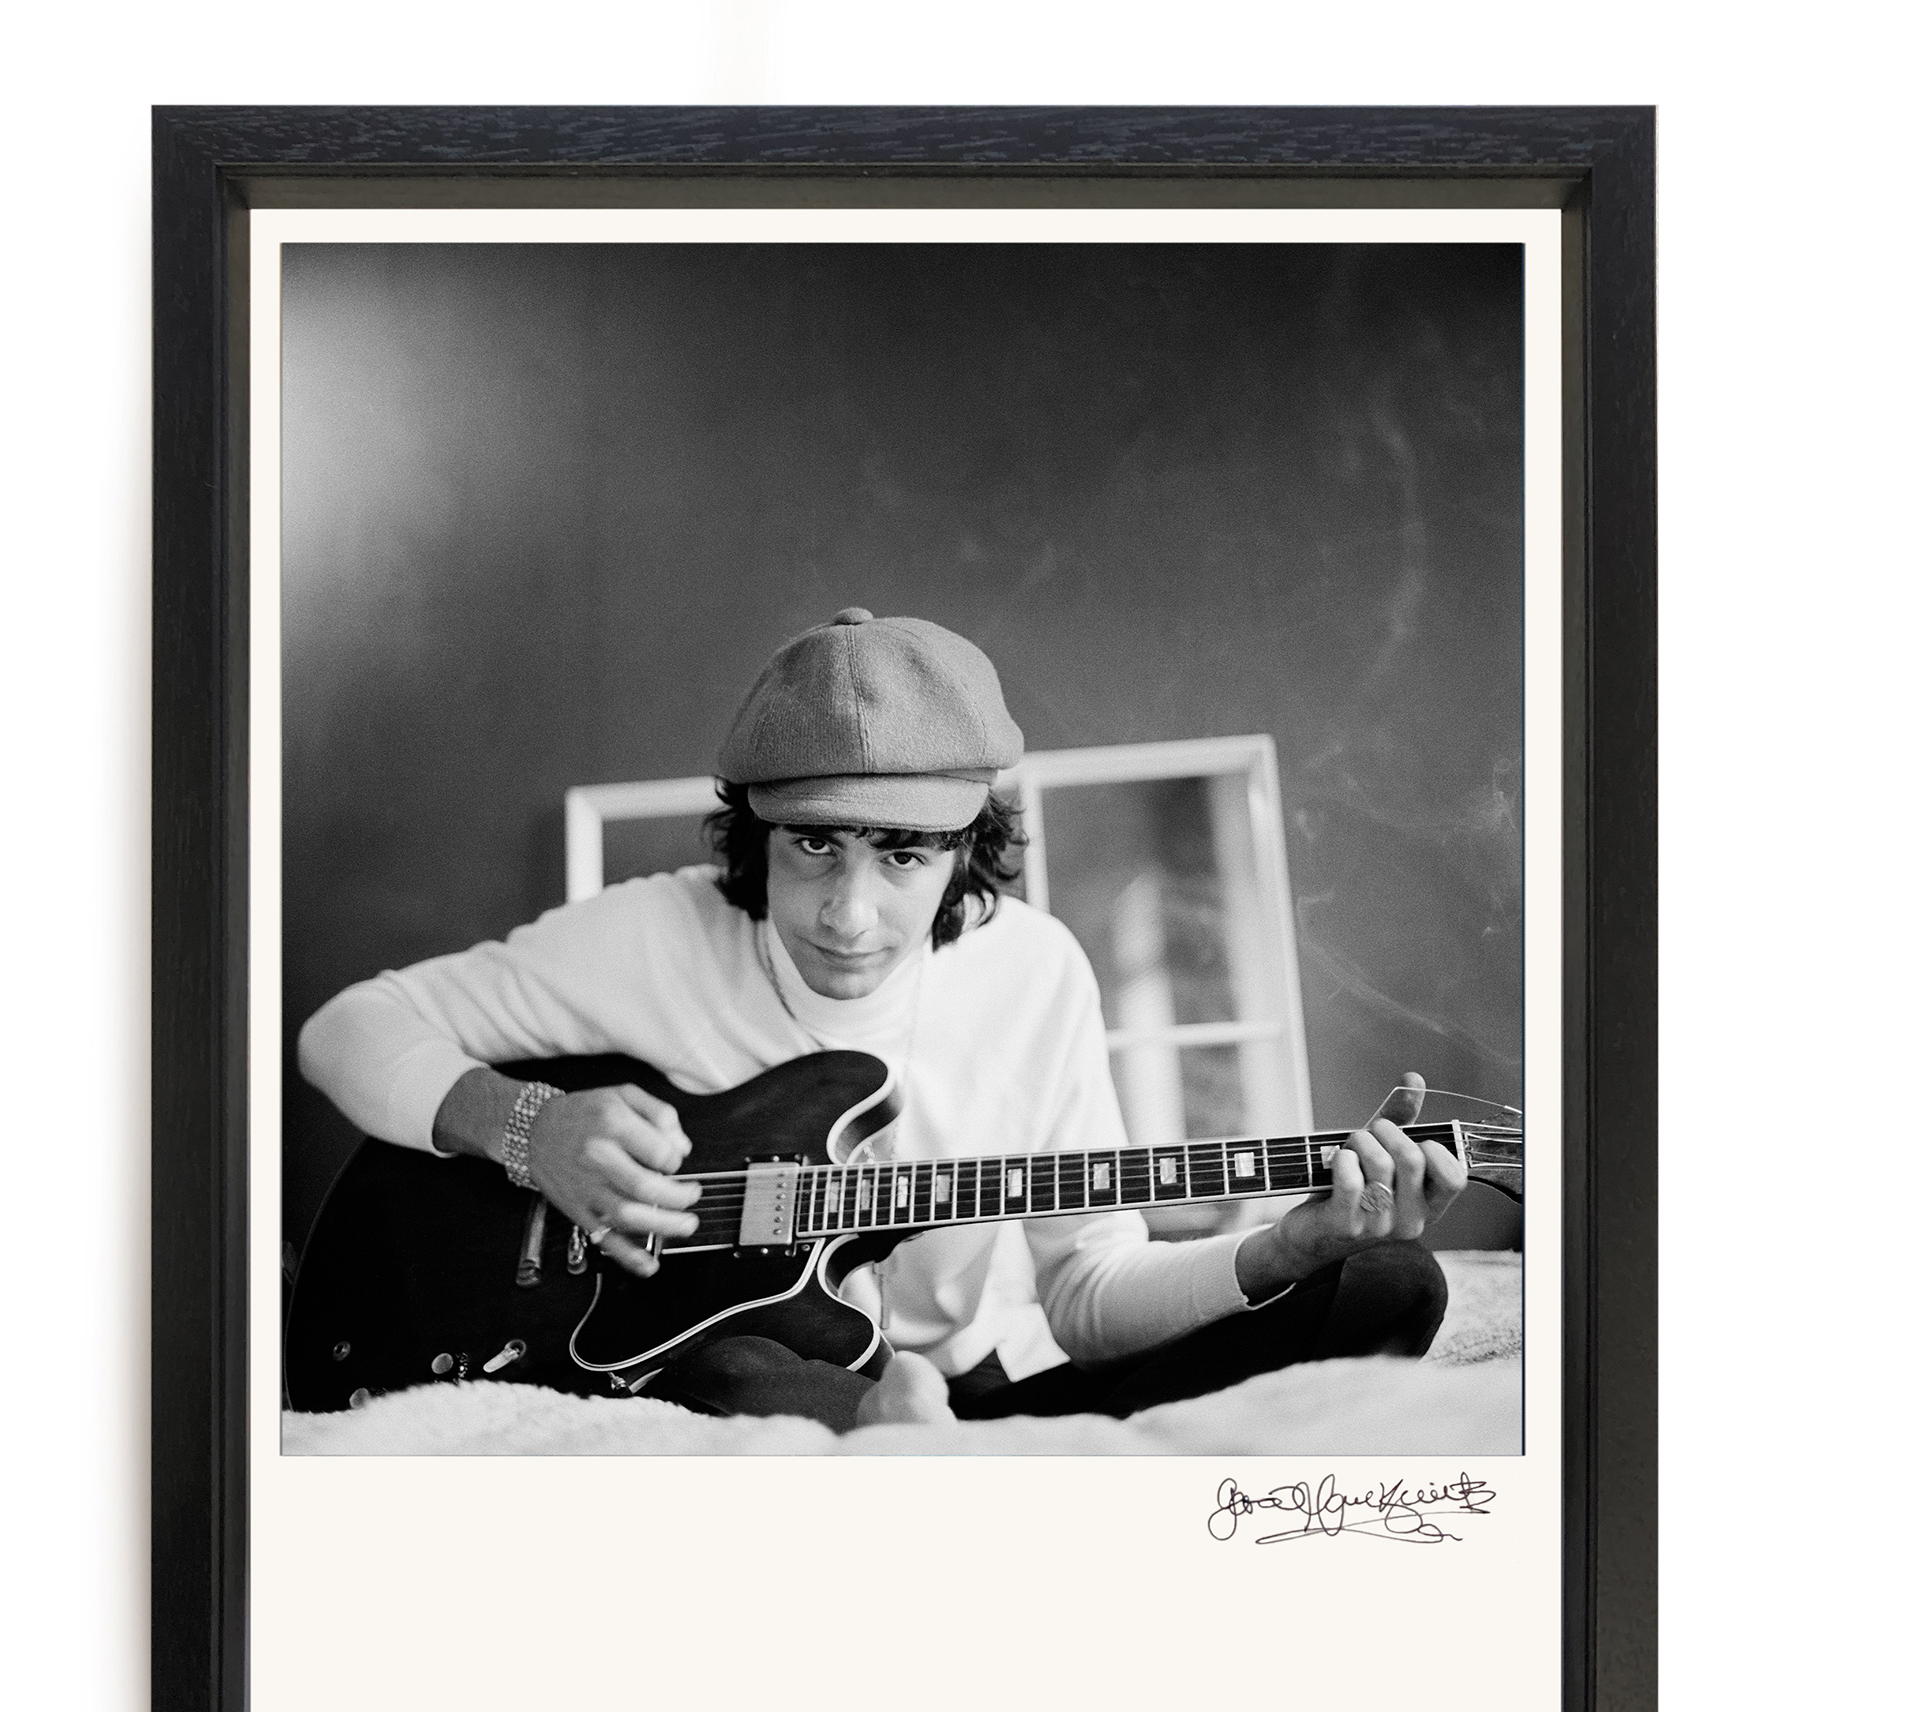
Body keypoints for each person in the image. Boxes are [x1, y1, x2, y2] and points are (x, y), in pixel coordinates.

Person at [298, 607, 1464, 1432]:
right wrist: (525, 1127)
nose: (848, 913)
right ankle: (873, 1424)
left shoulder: (1035, 975)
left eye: (902, 854)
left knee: (1386, 1287)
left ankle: (906, 1428)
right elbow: (347, 1027)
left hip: (964, 1386)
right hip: (703, 1363)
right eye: (811, 845)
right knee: (736, 1367)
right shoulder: (647, 936)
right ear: (751, 831)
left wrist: (1291, 1245)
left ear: (968, 850)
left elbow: (1091, 1299)